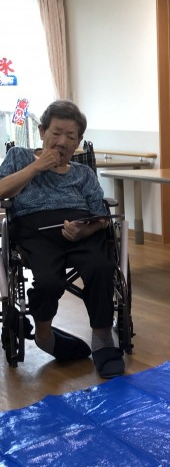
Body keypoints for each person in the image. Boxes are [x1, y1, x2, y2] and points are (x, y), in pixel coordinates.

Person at [0, 99, 125, 378]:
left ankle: (103, 341)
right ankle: (45, 336)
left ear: (78, 141)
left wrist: (86, 230)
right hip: (36, 234)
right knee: (48, 279)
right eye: (56, 133)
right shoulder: (19, 157)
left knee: (101, 267)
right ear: (42, 131)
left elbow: (101, 215)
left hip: (82, 232)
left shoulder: (83, 173)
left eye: (70, 136)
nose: (62, 142)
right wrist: (36, 168)